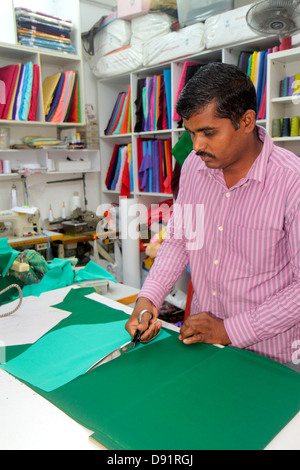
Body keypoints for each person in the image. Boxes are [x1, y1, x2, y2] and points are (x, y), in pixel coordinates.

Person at [125, 62, 300, 371]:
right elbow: (180, 239)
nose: (196, 146)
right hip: (206, 345)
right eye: (191, 133)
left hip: (272, 357)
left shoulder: (291, 181)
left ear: (246, 121)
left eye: (208, 133)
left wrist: (230, 330)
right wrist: (149, 298)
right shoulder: (194, 166)